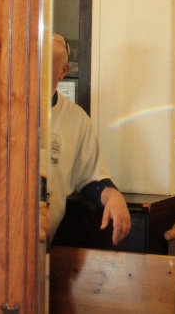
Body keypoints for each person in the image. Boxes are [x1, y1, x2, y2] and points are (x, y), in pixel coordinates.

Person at [46, 33, 131, 245]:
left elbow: (92, 179)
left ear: (62, 71)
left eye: (45, 64)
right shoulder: (2, 109)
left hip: (44, 244)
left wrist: (114, 198)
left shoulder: (75, 119)